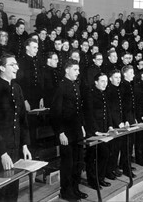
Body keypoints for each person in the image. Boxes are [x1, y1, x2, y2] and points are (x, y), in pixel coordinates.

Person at [0, 52, 31, 202]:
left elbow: (22, 119)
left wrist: (24, 145)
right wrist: (2, 153)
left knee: (12, 190)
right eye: (12, 65)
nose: (17, 67)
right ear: (2, 68)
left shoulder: (17, 88)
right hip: (0, 151)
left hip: (15, 146)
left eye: (16, 64)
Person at [50, 59, 88, 201]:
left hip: (77, 130)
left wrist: (82, 127)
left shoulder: (75, 85)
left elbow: (78, 110)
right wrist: (60, 132)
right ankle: (66, 192)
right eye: (75, 70)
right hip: (66, 132)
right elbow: (55, 112)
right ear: (67, 70)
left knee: (78, 161)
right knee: (68, 163)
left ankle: (75, 188)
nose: (78, 73)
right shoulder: (61, 86)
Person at [84, 73, 113, 189]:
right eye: (102, 81)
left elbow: (108, 112)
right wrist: (96, 131)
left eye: (106, 81)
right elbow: (89, 115)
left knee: (104, 154)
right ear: (96, 82)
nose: (105, 84)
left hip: (104, 130)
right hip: (94, 131)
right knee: (92, 156)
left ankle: (100, 178)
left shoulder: (104, 93)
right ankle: (92, 181)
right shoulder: (90, 94)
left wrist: (110, 126)